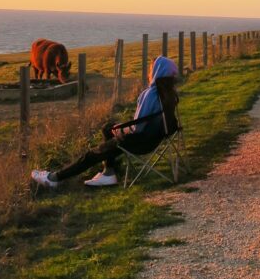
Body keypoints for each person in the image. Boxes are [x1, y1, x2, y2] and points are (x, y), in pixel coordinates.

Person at [31, 55, 179, 189]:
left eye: (151, 69)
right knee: (108, 128)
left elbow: (137, 128)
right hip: (156, 137)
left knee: (92, 154)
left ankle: (54, 178)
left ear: (157, 72)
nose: (149, 72)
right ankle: (109, 172)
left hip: (139, 142)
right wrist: (118, 129)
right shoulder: (169, 93)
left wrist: (121, 130)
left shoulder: (150, 94)